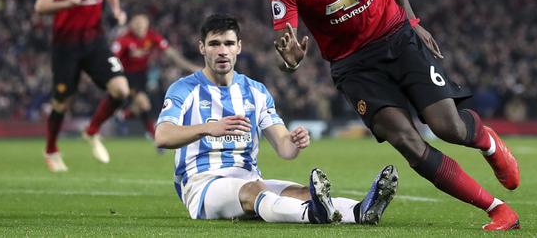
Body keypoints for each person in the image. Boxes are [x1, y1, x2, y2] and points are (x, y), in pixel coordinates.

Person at [268, 0, 520, 231]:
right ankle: (497, 209)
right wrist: (289, 60)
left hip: (397, 39)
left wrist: (413, 21)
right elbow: (285, 38)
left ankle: (488, 144)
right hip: (353, 67)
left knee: (447, 127)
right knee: (408, 143)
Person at [155, 14, 398, 224]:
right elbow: (162, 136)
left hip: (248, 178)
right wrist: (207, 128)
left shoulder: (255, 91)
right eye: (214, 44)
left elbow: (284, 149)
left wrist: (295, 141)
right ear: (202, 48)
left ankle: (360, 211)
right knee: (256, 191)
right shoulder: (184, 89)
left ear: (239, 47)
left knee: (302, 193)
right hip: (202, 184)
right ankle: (313, 215)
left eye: (228, 43)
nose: (222, 50)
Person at [34, 0, 130, 172]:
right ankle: (51, 150)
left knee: (121, 90)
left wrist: (117, 9)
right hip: (65, 47)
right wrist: (67, 2)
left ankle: (92, 130)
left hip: (94, 41)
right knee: (61, 103)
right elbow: (41, 6)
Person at [111, 13, 200, 142]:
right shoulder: (124, 39)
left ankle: (123, 116)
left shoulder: (152, 36)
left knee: (142, 107)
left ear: (147, 25)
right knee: (143, 103)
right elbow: (112, 58)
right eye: (136, 24)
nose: (139, 27)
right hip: (127, 76)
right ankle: (155, 137)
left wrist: (191, 67)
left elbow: (171, 54)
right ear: (131, 25)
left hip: (143, 75)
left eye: (142, 24)